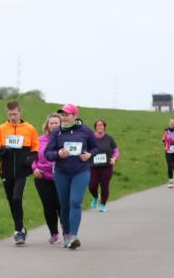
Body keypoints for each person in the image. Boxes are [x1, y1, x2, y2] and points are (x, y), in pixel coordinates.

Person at [44, 104, 98, 249]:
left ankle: (74, 236)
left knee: (75, 202)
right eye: (63, 114)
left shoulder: (85, 130)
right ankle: (67, 234)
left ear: (75, 116)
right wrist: (58, 154)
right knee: (65, 204)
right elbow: (48, 153)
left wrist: (89, 155)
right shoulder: (57, 133)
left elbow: (95, 147)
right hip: (62, 173)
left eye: (67, 114)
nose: (64, 117)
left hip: (81, 171)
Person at [0, 101, 40, 243]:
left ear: (20, 112)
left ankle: (19, 231)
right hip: (6, 171)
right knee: (11, 201)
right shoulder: (1, 128)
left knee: (17, 198)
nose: (13, 116)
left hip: (22, 171)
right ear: (6, 113)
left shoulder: (30, 128)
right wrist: (4, 150)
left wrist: (29, 160)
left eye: (15, 113)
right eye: (10, 114)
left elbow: (35, 149)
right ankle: (20, 228)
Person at [32, 113, 62, 244]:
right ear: (47, 125)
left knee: (61, 205)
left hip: (60, 178)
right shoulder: (39, 140)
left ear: (61, 125)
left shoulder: (65, 140)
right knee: (48, 206)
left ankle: (67, 231)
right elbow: (32, 157)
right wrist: (34, 168)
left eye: (56, 123)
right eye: (52, 123)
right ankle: (54, 233)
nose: (54, 125)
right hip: (42, 177)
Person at [88, 119, 120, 212]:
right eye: (98, 125)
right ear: (95, 127)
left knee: (104, 186)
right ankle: (95, 196)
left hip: (106, 166)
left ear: (104, 127)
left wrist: (114, 158)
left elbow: (116, 150)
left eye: (101, 125)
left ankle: (103, 204)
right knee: (92, 185)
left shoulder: (109, 138)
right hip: (93, 166)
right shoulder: (90, 139)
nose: (100, 127)